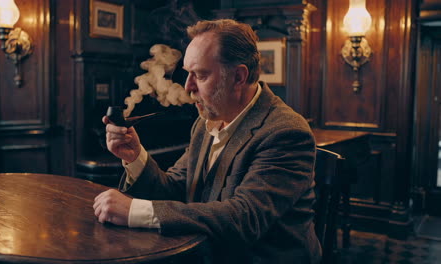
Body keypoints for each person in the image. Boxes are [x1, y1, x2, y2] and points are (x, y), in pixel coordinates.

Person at [93, 19, 321, 263]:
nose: (188, 87)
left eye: (200, 75)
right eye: (188, 74)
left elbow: (243, 218)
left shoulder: (285, 132)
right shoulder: (205, 122)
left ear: (238, 76)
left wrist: (134, 211)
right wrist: (135, 157)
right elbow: (177, 189)